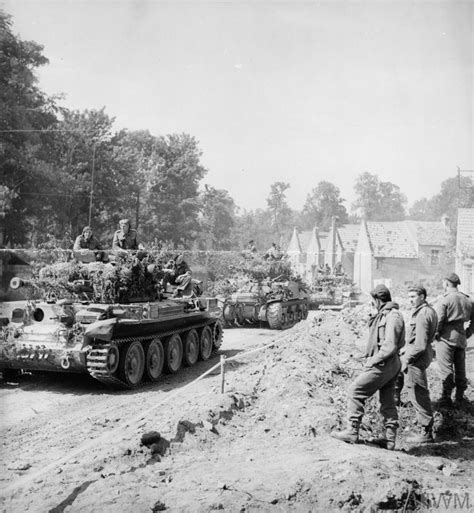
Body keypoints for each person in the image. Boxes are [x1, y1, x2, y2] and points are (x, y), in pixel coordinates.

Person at [331, 284, 405, 450]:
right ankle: (390, 440)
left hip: (385, 363)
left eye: (374, 301)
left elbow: (390, 346)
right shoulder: (385, 314)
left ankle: (352, 430)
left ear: (378, 300)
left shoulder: (393, 316)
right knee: (387, 400)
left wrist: (372, 361)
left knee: (355, 391)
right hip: (389, 362)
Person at [400, 285, 438, 443]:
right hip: (421, 354)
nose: (410, 300)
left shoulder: (422, 314)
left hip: (417, 357)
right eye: (409, 297)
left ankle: (426, 432)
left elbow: (420, 344)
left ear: (422, 297)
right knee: (417, 391)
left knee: (418, 392)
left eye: (413, 296)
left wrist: (407, 359)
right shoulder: (429, 310)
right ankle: (425, 428)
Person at [435, 273, 474, 407]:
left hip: (446, 337)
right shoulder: (468, 300)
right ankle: (460, 397)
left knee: (446, 368)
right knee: (460, 368)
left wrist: (435, 334)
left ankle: (446, 398)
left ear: (446, 283)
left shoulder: (445, 299)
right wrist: (467, 333)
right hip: (461, 337)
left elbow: (438, 320)